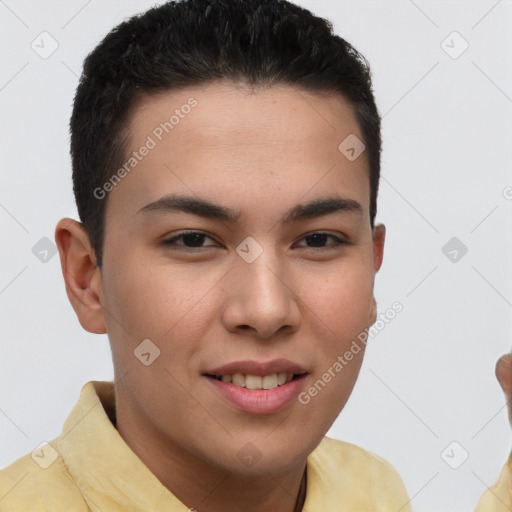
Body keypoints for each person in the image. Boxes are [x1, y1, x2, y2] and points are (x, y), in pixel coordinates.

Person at [0, 0, 510, 510]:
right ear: (87, 277)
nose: (266, 310)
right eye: (193, 240)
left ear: (373, 266)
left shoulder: (369, 491)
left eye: (318, 240)